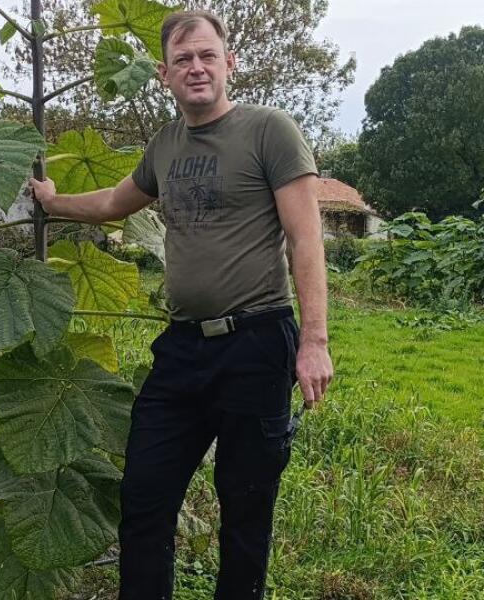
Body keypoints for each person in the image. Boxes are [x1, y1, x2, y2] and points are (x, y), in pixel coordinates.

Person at [29, 9, 333, 599]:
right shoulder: (164, 145)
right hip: (182, 348)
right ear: (165, 74)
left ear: (229, 63)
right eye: (183, 60)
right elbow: (116, 204)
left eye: (207, 56)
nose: (196, 68)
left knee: (245, 507)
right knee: (145, 493)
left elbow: (306, 238)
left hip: (257, 340)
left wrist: (314, 341)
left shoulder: (270, 130)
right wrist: (53, 200)